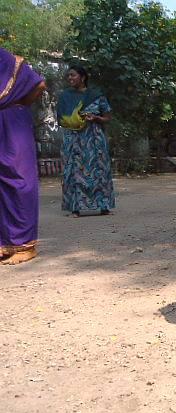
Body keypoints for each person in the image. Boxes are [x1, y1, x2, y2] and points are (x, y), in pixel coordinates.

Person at [0, 48, 46, 265]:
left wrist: (14, 103)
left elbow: (39, 84)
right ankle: (5, 244)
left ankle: (26, 245)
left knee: (19, 180)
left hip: (13, 122)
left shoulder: (8, 61)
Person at [57, 66, 115, 217]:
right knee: (74, 171)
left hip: (94, 138)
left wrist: (96, 118)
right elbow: (61, 119)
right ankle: (75, 207)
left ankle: (103, 206)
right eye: (68, 76)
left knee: (99, 170)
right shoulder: (64, 96)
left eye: (73, 75)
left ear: (82, 78)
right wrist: (73, 120)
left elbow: (108, 117)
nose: (70, 78)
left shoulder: (96, 96)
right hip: (73, 139)